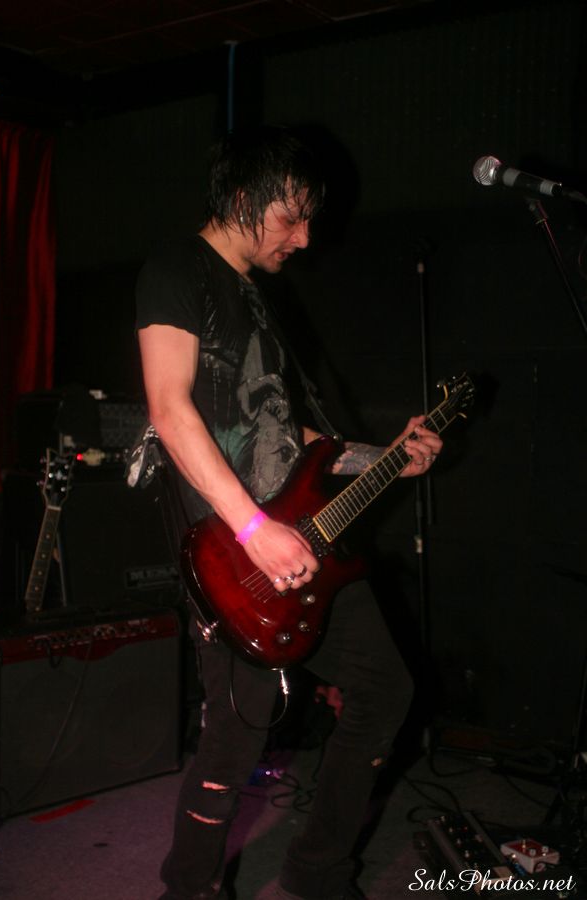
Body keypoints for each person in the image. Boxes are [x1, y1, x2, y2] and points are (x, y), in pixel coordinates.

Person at [135, 125, 442, 900]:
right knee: (237, 734)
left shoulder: (258, 301)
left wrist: (385, 455)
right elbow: (170, 409)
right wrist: (252, 528)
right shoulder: (176, 270)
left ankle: (317, 869)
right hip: (234, 553)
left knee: (384, 690)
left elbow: (295, 438)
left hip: (309, 542)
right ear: (244, 198)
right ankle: (189, 889)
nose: (304, 238)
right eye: (291, 217)